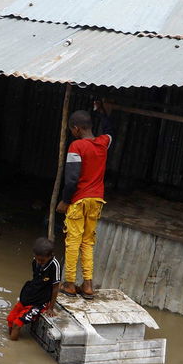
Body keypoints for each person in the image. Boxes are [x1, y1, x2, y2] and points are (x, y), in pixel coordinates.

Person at [56, 101, 112, 300]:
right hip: (97, 200)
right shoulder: (103, 143)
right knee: (88, 242)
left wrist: (64, 201)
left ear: (76, 128)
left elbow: (71, 179)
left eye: (72, 129)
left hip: (79, 200)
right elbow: (108, 130)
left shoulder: (76, 146)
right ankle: (87, 285)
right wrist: (103, 112)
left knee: (73, 241)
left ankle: (70, 283)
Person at [7, 237, 62, 341]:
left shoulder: (54, 266)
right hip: (29, 295)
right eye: (37, 259)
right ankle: (11, 339)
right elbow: (36, 279)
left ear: (50, 256)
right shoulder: (35, 261)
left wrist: (50, 307)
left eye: (42, 260)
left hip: (39, 303)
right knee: (10, 320)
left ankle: (11, 347)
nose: (39, 262)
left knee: (16, 324)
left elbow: (55, 288)